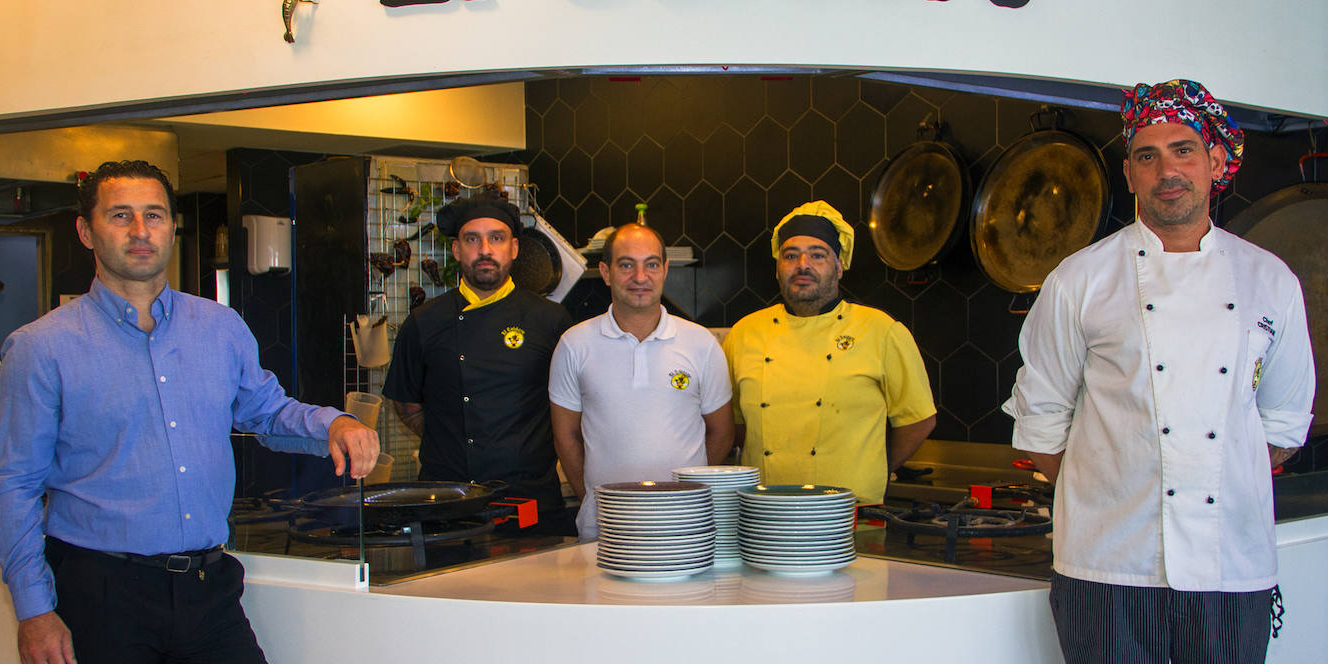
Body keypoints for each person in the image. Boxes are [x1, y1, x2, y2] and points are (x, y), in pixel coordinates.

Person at [0, 160, 379, 664]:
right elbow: (13, 486)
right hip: (98, 596)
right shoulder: (41, 348)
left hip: (206, 589)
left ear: (172, 228)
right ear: (86, 231)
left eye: (154, 216)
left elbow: (266, 413)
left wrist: (334, 424)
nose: (140, 231)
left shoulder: (219, 328)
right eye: (121, 216)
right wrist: (35, 612)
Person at [1003, 79, 1315, 664]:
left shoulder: (1269, 279)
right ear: (1129, 173)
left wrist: (1214, 479)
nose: (1166, 170)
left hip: (1231, 568)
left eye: (1183, 150)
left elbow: (1283, 426)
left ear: (1217, 162)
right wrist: (1117, 491)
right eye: (1147, 156)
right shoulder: (1080, 280)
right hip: (1107, 568)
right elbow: (1040, 424)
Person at [722, 201, 936, 503]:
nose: (802, 265)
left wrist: (873, 468)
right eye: (790, 255)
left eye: (818, 255)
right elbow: (736, 425)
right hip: (766, 512)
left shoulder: (880, 330)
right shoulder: (744, 333)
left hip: (851, 513)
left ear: (839, 266)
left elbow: (918, 421)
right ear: (778, 268)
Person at [383, 193, 573, 532]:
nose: (485, 250)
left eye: (496, 238)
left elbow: (572, 410)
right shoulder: (424, 322)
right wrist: (454, 435)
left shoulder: (551, 320)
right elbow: (406, 403)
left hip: (531, 504)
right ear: (457, 251)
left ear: (514, 248)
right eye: (472, 239)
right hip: (447, 506)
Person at [548, 223, 734, 540]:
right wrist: (593, 500)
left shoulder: (701, 343)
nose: (639, 277)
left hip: (684, 523)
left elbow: (722, 432)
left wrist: (687, 492)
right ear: (606, 272)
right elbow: (565, 436)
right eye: (626, 265)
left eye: (650, 264)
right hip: (605, 525)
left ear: (664, 270)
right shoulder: (574, 344)